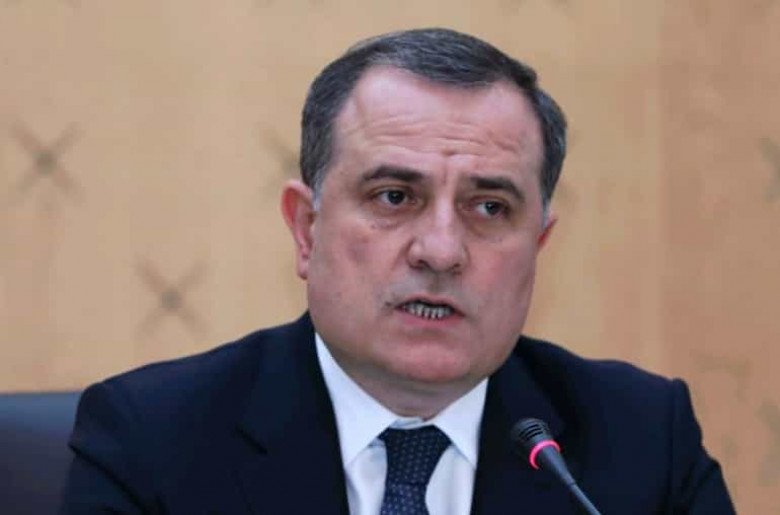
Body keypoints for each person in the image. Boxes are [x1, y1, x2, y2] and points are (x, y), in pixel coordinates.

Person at [60, 28, 735, 514]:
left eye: (490, 207)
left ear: (538, 244)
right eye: (394, 197)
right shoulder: (153, 441)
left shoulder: (645, 441)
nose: (440, 250)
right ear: (307, 229)